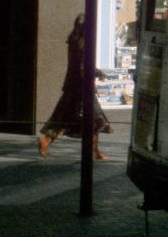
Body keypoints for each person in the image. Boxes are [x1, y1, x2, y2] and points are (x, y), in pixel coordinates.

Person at [37, 15, 112, 160]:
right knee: (96, 119)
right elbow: (84, 65)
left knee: (64, 117)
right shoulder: (84, 42)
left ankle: (46, 141)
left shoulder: (74, 40)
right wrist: (97, 73)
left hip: (71, 85)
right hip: (83, 88)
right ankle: (94, 152)